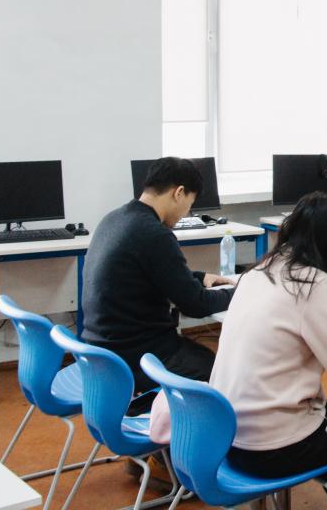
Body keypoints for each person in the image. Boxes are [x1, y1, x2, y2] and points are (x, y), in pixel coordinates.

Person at [152, 192, 327, 510]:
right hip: (271, 446)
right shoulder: (315, 285)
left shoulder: (259, 273)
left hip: (228, 432)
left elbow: (290, 333)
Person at [82, 156, 234, 392]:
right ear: (179, 193)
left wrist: (199, 276)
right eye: (190, 204)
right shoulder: (154, 234)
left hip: (101, 353)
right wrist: (239, 292)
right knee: (218, 370)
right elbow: (196, 305)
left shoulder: (114, 218)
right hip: (137, 358)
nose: (187, 212)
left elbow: (146, 274)